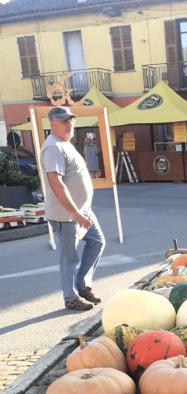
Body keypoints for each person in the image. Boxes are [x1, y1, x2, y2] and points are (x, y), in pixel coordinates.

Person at [41, 106, 105, 312]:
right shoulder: (53, 147)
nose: (70, 124)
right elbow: (55, 183)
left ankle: (82, 285)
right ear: (53, 124)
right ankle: (70, 297)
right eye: (65, 121)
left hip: (82, 211)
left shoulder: (65, 143)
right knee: (69, 257)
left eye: (71, 120)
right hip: (67, 215)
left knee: (97, 242)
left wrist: (82, 210)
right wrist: (75, 213)